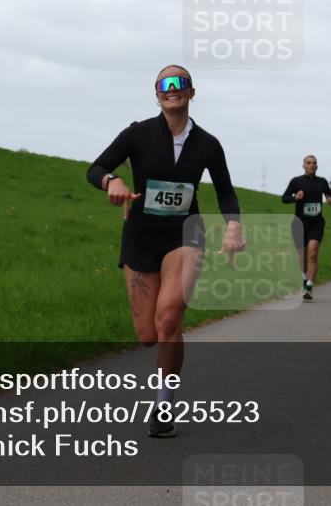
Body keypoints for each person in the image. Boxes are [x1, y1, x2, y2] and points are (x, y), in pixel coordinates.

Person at [87, 65, 245, 438]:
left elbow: (225, 191)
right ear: (156, 93)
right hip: (141, 236)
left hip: (184, 234)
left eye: (179, 84)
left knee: (170, 317)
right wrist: (113, 181)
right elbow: (95, 169)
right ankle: (163, 375)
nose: (172, 89)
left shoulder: (208, 144)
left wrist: (234, 225)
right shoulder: (137, 134)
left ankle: (164, 401)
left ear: (191, 93)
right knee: (148, 334)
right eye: (165, 84)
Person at [281, 155, 331, 301]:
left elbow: (330, 195)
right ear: (304, 165)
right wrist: (295, 198)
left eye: (314, 163)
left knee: (312, 253)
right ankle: (304, 279)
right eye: (309, 163)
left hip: (316, 222)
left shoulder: (322, 182)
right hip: (299, 223)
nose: (311, 165)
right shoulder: (296, 181)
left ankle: (309, 286)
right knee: (302, 255)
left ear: (317, 166)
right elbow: (284, 198)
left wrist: (330, 199)